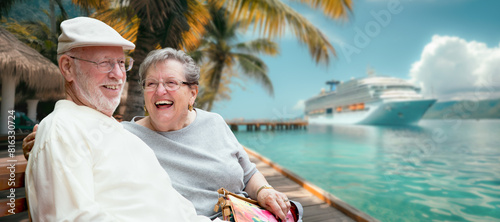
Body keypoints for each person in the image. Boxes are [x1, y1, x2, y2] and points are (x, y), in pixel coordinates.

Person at [24, 47, 302, 221]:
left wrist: (265, 191)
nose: (159, 92)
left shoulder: (215, 123)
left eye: (170, 83)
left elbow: (248, 173)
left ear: (192, 92)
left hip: (246, 214)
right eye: (151, 84)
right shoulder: (125, 136)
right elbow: (77, 145)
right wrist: (38, 145)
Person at [25, 16, 222, 222]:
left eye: (121, 62)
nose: (118, 74)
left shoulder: (117, 131)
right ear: (67, 68)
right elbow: (71, 218)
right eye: (105, 63)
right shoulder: (64, 130)